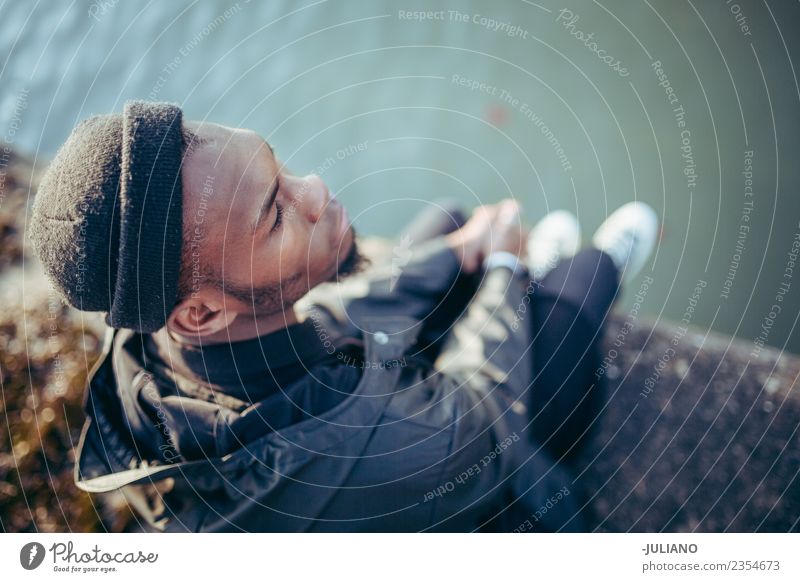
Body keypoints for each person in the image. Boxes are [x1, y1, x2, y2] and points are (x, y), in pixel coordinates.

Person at [31, 101, 658, 532]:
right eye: (275, 214)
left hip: (362, 405)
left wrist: (454, 256)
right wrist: (502, 270)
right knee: (585, 278)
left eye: (279, 166)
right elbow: (485, 422)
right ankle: (554, 274)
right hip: (475, 471)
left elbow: (328, 317)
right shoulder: (333, 442)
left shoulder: (147, 333)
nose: (316, 190)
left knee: (447, 225)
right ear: (201, 312)